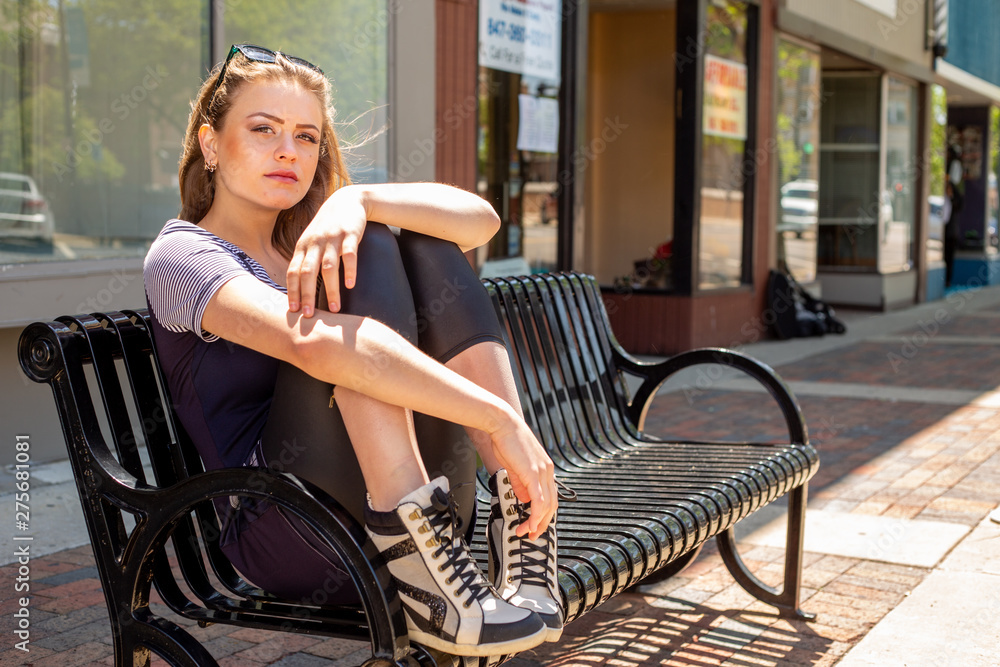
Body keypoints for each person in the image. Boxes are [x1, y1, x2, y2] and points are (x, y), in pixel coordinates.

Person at [142, 44, 564, 658]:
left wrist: (357, 200)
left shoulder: (312, 234)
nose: (289, 150)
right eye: (263, 129)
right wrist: (498, 418)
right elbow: (316, 348)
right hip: (295, 530)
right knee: (359, 256)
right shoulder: (183, 255)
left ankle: (520, 531)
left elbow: (481, 222)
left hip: (432, 520)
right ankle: (429, 576)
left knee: (425, 240)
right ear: (210, 144)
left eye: (307, 137)